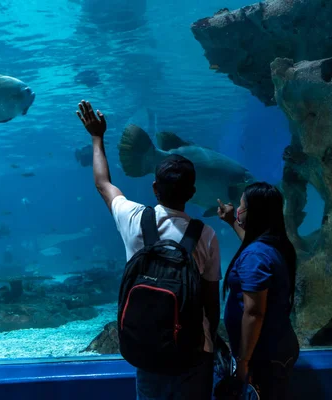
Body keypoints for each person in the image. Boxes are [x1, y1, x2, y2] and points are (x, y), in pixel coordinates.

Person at [76, 100, 221, 400]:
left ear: (155, 188)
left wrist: (96, 137)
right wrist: (212, 342)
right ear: (192, 193)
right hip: (192, 354)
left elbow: (103, 184)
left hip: (148, 350)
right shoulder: (206, 236)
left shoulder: (133, 219)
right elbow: (210, 301)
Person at [216, 182, 300, 400]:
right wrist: (231, 221)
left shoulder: (256, 256)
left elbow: (254, 313)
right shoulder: (274, 244)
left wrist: (243, 362)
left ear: (255, 212)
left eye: (242, 205)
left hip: (262, 356)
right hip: (276, 347)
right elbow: (252, 245)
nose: (238, 209)